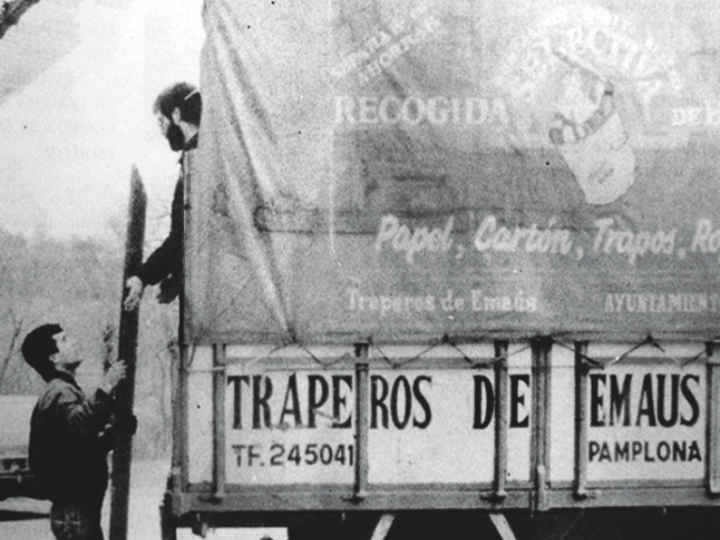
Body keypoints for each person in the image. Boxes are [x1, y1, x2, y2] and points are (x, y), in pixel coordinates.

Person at [23, 323, 129, 540]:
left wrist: (113, 436)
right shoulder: (59, 391)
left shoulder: (62, 390)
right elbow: (81, 425)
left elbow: (77, 448)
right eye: (64, 340)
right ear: (54, 357)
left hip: (75, 508)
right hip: (74, 509)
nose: (74, 342)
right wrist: (107, 385)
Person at [124, 82, 202, 311]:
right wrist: (180, 277)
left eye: (161, 121)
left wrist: (142, 277)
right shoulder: (209, 154)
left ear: (176, 115)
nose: (161, 131)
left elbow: (182, 236)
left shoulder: (195, 163)